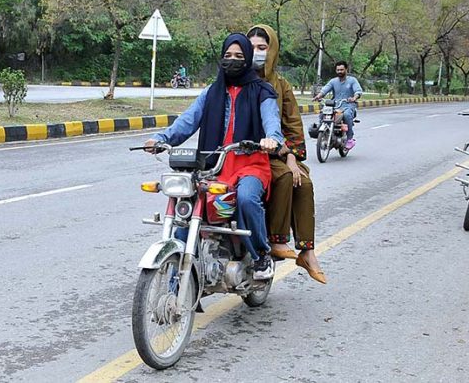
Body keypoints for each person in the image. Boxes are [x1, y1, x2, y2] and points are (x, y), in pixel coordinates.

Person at [145, 33, 284, 280]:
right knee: (185, 209)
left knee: (246, 199)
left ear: (248, 58)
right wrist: (161, 139)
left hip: (249, 164)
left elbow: (271, 119)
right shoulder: (212, 92)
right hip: (213, 167)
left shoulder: (262, 90)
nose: (232, 60)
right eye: (228, 56)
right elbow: (188, 120)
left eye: (239, 56)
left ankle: (261, 254)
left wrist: (271, 138)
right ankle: (180, 280)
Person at [248, 25, 326, 285]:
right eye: (252, 48)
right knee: (283, 178)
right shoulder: (238, 78)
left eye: (262, 48)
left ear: (272, 50)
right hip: (245, 152)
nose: (257, 53)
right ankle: (276, 240)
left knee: (302, 181)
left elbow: (292, 126)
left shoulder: (281, 85)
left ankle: (307, 251)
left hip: (276, 150)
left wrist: (291, 156)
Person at [313, 61, 363, 150]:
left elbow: (358, 91)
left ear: (346, 70)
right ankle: (324, 135)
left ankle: (349, 139)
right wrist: (318, 96)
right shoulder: (333, 81)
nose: (340, 71)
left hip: (348, 105)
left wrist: (354, 98)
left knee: (347, 115)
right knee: (322, 114)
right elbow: (325, 90)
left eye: (342, 70)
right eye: (338, 70)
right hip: (335, 105)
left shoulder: (352, 80)